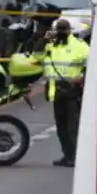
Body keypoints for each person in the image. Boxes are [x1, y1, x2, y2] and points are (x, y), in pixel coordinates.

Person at [39, 18, 89, 168]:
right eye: (58, 30)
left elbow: (93, 64)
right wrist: (42, 40)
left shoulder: (79, 46)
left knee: (72, 127)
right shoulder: (50, 46)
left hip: (73, 92)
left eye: (63, 30)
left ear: (69, 31)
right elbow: (35, 56)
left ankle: (76, 156)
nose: (61, 33)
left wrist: (81, 78)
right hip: (56, 92)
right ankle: (68, 155)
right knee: (61, 128)